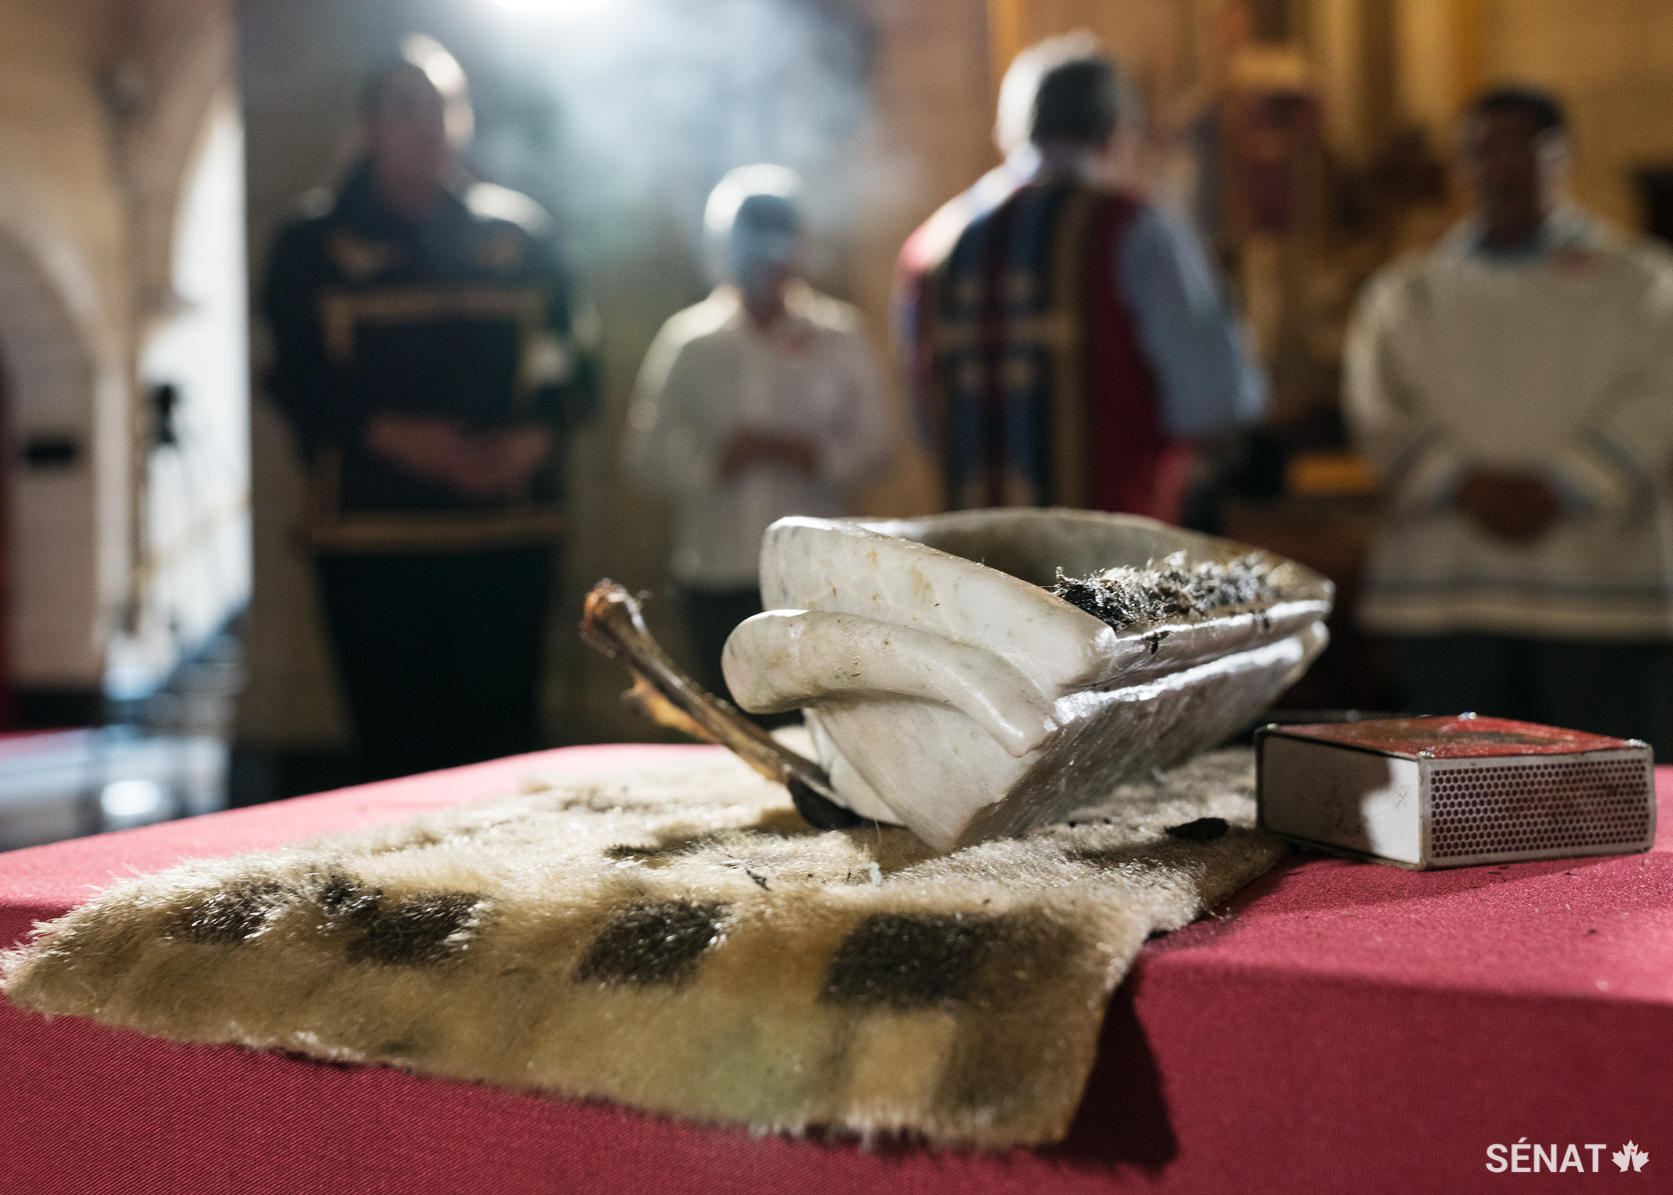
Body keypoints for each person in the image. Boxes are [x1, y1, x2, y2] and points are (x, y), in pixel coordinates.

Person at [263, 40, 597, 780]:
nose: (427, 125)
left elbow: (570, 357)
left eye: (443, 106)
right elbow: (293, 374)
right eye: (406, 107)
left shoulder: (519, 235)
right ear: (367, 124)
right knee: (396, 755)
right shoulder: (310, 245)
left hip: (504, 535)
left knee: (502, 748)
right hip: (376, 544)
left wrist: (537, 435)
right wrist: (392, 435)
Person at [1344, 87, 1673, 753]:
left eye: (1522, 146)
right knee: (1454, 815)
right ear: (1459, 167)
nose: (1500, 166)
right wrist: (1465, 486)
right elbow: (1377, 406)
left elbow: (1660, 392)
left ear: (1563, 154)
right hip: (1446, 596)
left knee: (1606, 815)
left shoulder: (1639, 281)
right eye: (1479, 151)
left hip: (1600, 597)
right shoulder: (1407, 291)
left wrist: (1561, 484)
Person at [908, 49, 1266, 520]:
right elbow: (1217, 401)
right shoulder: (1136, 230)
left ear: (1009, 135)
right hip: (1113, 564)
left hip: (975, 570)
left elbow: (927, 427)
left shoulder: (931, 247)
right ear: (1116, 133)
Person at [624, 165, 893, 704]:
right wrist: (714, 464)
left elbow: (880, 445)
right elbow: (645, 453)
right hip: (716, 571)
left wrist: (814, 456)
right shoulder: (689, 344)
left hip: (817, 577)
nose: (768, 267)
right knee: (732, 720)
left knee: (819, 718)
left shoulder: (839, 337)